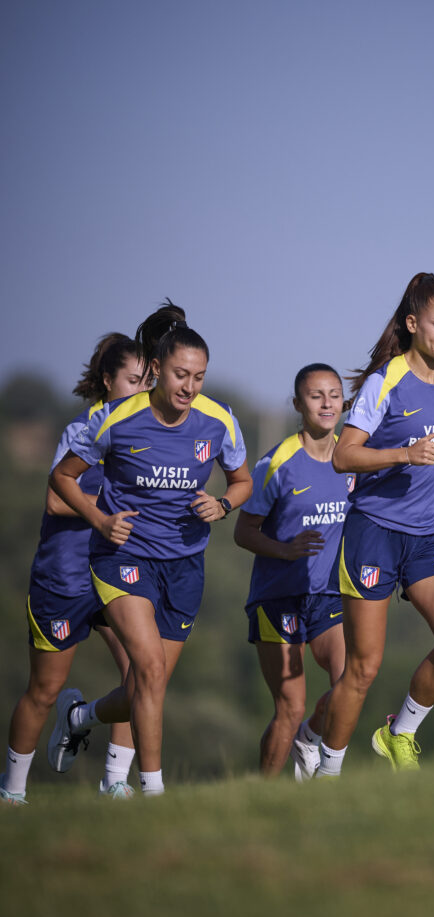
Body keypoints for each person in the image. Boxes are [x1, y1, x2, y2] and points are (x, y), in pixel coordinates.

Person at [47, 301, 251, 796]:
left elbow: (242, 481)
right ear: (157, 370)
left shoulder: (218, 420)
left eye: (199, 377)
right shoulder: (118, 418)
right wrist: (100, 518)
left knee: (148, 688)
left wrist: (222, 506)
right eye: (181, 374)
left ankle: (81, 716)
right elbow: (63, 478)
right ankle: (152, 791)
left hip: (184, 564)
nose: (190, 387)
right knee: (150, 668)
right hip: (123, 558)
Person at [316, 272, 434, 777]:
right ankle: (328, 770)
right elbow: (343, 456)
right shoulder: (387, 380)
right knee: (362, 668)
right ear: (412, 324)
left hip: (428, 534)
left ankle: (399, 732)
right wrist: (404, 453)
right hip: (373, 533)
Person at [1, 334, 151, 805]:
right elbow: (53, 497)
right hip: (64, 576)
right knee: (44, 690)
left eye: (147, 382)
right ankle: (12, 793)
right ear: (107, 381)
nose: (142, 389)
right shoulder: (84, 429)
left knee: (140, 675)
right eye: (133, 380)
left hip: (114, 571)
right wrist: (107, 510)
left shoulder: (146, 433)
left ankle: (115, 781)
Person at [234, 364, 351, 780]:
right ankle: (261, 794)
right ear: (298, 404)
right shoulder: (277, 463)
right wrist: (285, 551)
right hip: (277, 596)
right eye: (316, 395)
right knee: (290, 707)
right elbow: (243, 532)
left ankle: (310, 738)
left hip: (329, 594)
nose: (326, 403)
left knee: (350, 682)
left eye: (334, 394)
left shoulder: (351, 458)